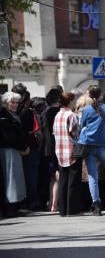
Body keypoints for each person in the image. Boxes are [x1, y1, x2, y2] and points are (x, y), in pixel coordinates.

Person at [78, 85, 105, 215]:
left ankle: (96, 205)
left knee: (93, 176)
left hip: (90, 145)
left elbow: (82, 125)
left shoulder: (87, 109)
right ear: (101, 94)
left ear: (89, 95)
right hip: (104, 145)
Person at [12, 83, 41, 211]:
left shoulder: (11, 111)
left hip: (17, 147)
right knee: (31, 176)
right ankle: (32, 201)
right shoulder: (26, 112)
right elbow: (30, 129)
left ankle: (22, 202)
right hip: (29, 147)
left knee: (20, 176)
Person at [0, 92, 29, 217]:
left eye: (16, 102)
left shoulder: (11, 115)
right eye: (12, 102)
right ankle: (10, 208)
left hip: (14, 150)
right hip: (8, 150)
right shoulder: (3, 116)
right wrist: (23, 147)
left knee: (16, 178)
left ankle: (15, 206)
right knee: (11, 178)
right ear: (6, 103)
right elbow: (8, 137)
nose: (15, 105)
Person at [53, 92, 82, 217]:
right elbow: (76, 134)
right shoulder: (71, 115)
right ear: (70, 101)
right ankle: (73, 210)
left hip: (60, 151)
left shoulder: (58, 115)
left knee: (63, 181)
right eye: (74, 100)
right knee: (73, 181)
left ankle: (63, 210)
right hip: (71, 150)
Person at [40, 88, 62, 212]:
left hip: (46, 148)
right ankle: (55, 204)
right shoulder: (58, 112)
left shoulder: (44, 112)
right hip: (56, 147)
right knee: (58, 176)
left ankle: (51, 203)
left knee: (52, 177)